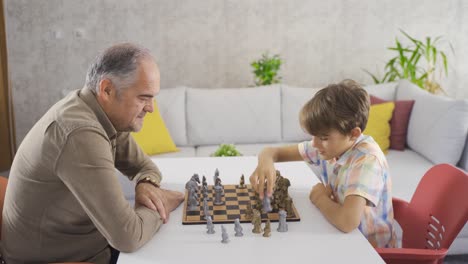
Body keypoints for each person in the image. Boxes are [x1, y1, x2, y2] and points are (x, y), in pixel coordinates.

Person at [1, 43, 185, 263]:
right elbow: (128, 236)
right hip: (62, 258)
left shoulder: (101, 114)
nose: (151, 108)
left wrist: (145, 182)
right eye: (143, 98)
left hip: (90, 244)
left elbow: (144, 167)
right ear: (107, 90)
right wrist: (161, 203)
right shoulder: (79, 133)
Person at [249, 80, 396, 248]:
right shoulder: (330, 146)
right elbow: (272, 152)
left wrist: (319, 198)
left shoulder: (367, 161)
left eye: (324, 138)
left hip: (368, 250)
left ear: (353, 133)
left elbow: (347, 222)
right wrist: (265, 161)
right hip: (340, 237)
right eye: (314, 136)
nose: (315, 144)